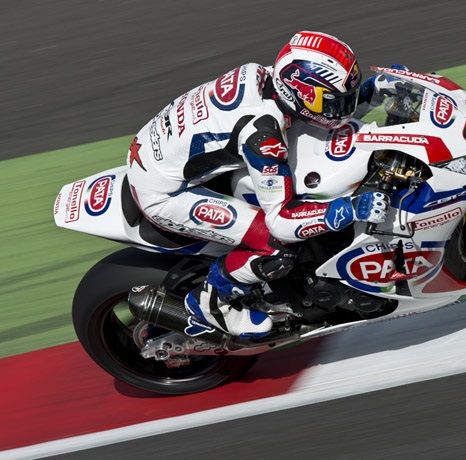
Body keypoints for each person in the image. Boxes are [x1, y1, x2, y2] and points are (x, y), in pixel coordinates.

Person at [126, 31, 390, 338]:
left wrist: (376, 91)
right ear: (299, 93)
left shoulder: (264, 76)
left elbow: (316, 112)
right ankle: (210, 304)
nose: (343, 108)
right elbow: (281, 220)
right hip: (165, 193)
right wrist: (348, 209)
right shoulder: (263, 137)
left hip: (152, 149)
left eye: (349, 97)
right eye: (334, 101)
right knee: (276, 247)